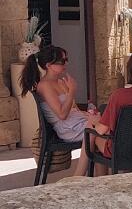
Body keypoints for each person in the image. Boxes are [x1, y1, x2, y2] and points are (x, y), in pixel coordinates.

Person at [21, 44, 98, 177]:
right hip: (67, 127)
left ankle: (96, 177)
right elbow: (62, 114)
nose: (66, 63)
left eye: (66, 59)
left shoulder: (61, 82)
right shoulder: (45, 85)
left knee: (102, 126)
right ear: (49, 65)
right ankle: (79, 176)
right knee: (99, 129)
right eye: (62, 61)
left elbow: (73, 109)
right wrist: (72, 91)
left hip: (76, 121)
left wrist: (88, 113)